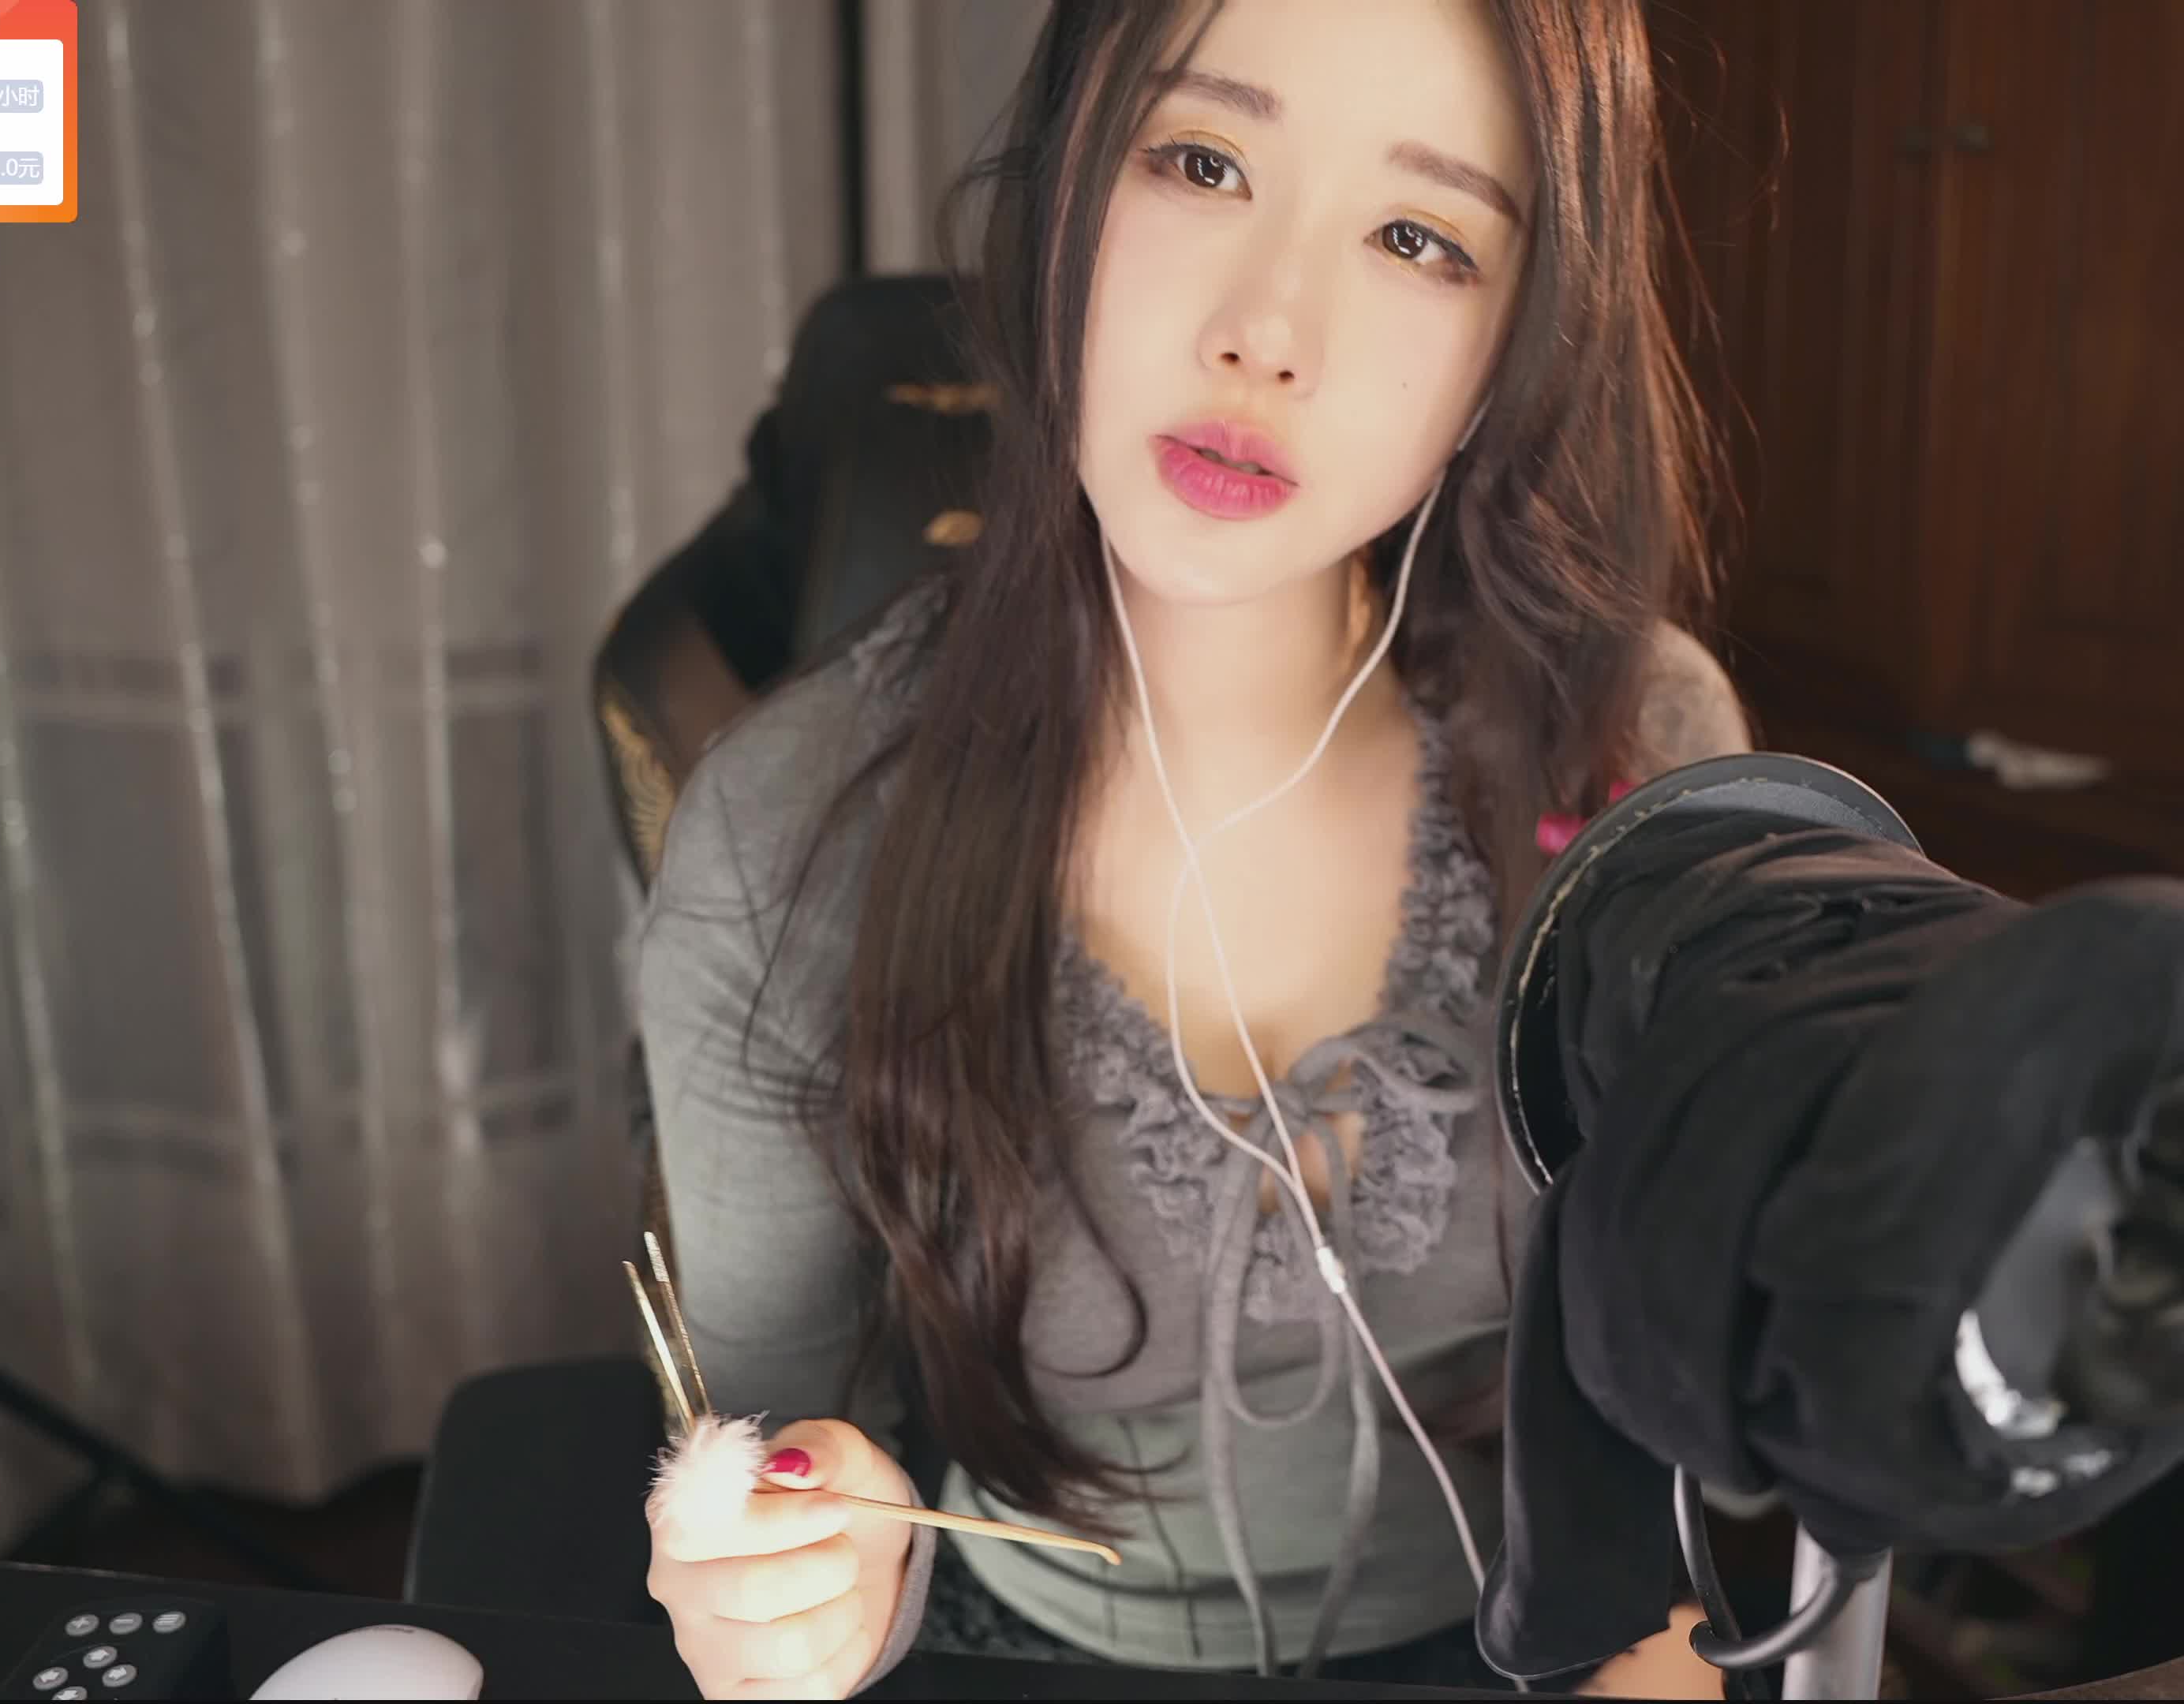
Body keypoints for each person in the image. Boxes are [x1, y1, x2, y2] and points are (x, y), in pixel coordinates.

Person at [637, 0, 1749, 1695]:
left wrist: (1665, 1634)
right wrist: (800, 1564)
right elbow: (779, 1438)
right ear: (1065, 194)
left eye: (1418, 237)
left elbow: (1696, 1387)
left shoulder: (1639, 745)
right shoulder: (782, 830)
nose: (1267, 333)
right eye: (1204, 161)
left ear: (1516, 349)